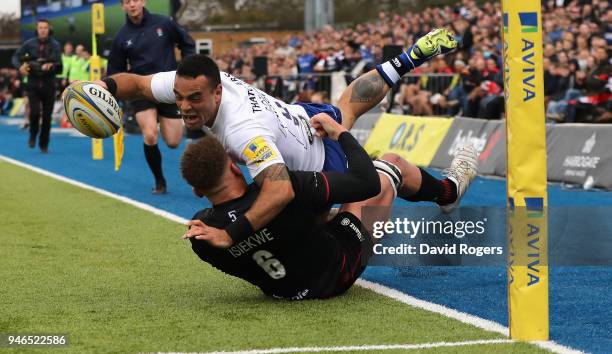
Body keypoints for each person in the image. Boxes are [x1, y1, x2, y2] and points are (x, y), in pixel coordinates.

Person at [96, 28, 461, 246]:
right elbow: (140, 83)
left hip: (319, 164)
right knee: (346, 109)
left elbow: (280, 189)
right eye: (179, 98)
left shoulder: (242, 132)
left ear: (217, 93)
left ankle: (444, 192)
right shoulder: (195, 80)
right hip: (298, 116)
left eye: (194, 100)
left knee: (335, 218)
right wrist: (103, 87)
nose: (185, 107)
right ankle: (407, 59)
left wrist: (231, 234)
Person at [179, 114, 478, 299]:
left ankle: (339, 219)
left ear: (196, 189)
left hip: (281, 290)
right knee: (390, 166)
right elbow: (366, 182)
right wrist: (339, 132)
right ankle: (449, 192)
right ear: (234, 168)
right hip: (337, 270)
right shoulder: (282, 188)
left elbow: (249, 241)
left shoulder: (202, 235)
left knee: (306, 218)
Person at [108, 0, 195, 194]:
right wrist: (118, 96)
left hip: (167, 87)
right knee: (149, 134)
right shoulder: (121, 37)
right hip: (140, 91)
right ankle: (160, 181)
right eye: (127, 2)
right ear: (123, 6)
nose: (132, 5)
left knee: (173, 142)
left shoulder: (164, 23)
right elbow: (115, 72)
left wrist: (187, 68)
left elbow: (187, 42)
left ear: (143, 1)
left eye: (135, 0)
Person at [12, 19, 62, 153]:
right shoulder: (29, 44)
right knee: (34, 113)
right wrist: (20, 67)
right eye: (41, 28)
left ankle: (44, 143)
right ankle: (33, 134)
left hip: (49, 84)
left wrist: (51, 65)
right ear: (37, 29)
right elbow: (15, 57)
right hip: (33, 84)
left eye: (45, 27)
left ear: (49, 29)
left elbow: (59, 66)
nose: (43, 30)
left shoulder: (56, 45)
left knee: (47, 117)